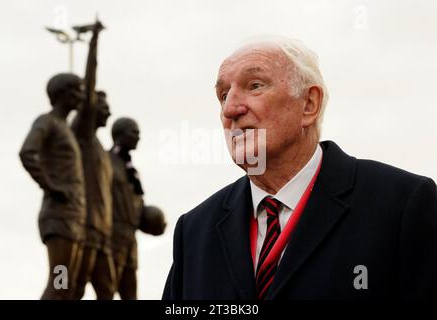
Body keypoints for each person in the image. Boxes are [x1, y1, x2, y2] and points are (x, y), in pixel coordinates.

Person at [162, 36, 437, 300]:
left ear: (309, 104)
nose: (230, 109)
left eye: (255, 85)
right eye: (223, 95)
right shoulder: (194, 232)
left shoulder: (403, 204)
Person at [19, 73, 86, 299]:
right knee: (59, 283)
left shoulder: (67, 129)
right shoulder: (47, 122)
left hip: (73, 216)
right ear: (62, 93)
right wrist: (52, 186)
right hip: (59, 216)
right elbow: (27, 152)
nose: (81, 96)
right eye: (77, 90)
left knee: (67, 287)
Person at [109, 118, 166, 299]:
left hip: (129, 238)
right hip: (111, 236)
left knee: (130, 293)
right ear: (120, 133)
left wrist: (150, 219)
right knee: (106, 289)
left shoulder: (131, 169)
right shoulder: (105, 161)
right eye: (134, 132)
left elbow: (136, 202)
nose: (139, 137)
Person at [71, 91, 116, 299]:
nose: (109, 112)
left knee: (106, 287)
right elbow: (89, 86)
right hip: (86, 226)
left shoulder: (102, 151)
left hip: (103, 230)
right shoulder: (83, 138)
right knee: (73, 285)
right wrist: (94, 56)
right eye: (104, 108)